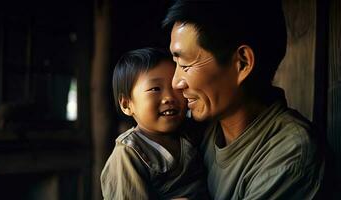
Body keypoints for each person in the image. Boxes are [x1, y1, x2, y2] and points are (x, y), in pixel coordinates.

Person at [162, 0, 324, 199]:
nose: (176, 82)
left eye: (185, 65)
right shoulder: (202, 130)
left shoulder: (291, 155)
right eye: (175, 63)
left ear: (242, 63)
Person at [100, 48, 209, 199]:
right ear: (126, 104)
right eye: (155, 89)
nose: (169, 97)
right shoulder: (128, 154)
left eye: (175, 87)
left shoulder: (192, 131)